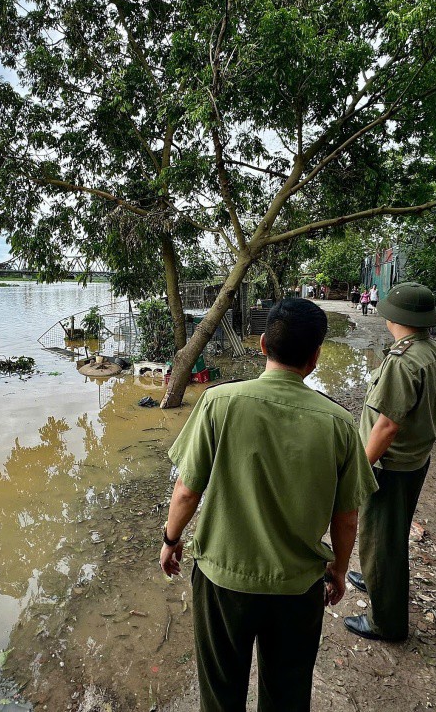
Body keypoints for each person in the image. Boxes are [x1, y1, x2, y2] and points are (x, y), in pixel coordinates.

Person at [160, 298, 377, 712]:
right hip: (296, 588)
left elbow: (188, 492)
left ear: (262, 344)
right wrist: (339, 568)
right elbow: (347, 516)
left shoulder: (218, 403)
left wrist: (170, 539)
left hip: (222, 582)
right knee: (288, 694)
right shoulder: (338, 423)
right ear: (315, 358)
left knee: (221, 695)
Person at [343, 282, 436, 642]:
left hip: (390, 466)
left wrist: (360, 468)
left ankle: (386, 623)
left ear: (394, 317)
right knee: (387, 535)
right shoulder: (434, 352)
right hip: (416, 459)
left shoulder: (403, 361)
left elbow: (386, 425)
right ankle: (373, 577)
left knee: (382, 541)